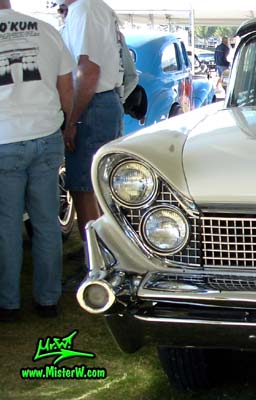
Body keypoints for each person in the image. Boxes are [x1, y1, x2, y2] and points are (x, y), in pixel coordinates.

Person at [0, 0, 75, 321]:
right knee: (46, 223)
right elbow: (65, 86)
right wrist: (67, 123)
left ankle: (9, 304)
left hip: (5, 139)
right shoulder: (46, 31)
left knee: (7, 226)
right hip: (45, 135)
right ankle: (47, 301)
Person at [59, 0, 124, 248]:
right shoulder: (91, 8)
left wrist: (71, 120)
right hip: (99, 103)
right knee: (96, 190)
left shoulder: (85, 9)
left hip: (92, 105)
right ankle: (101, 260)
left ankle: (95, 263)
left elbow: (88, 69)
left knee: (87, 189)